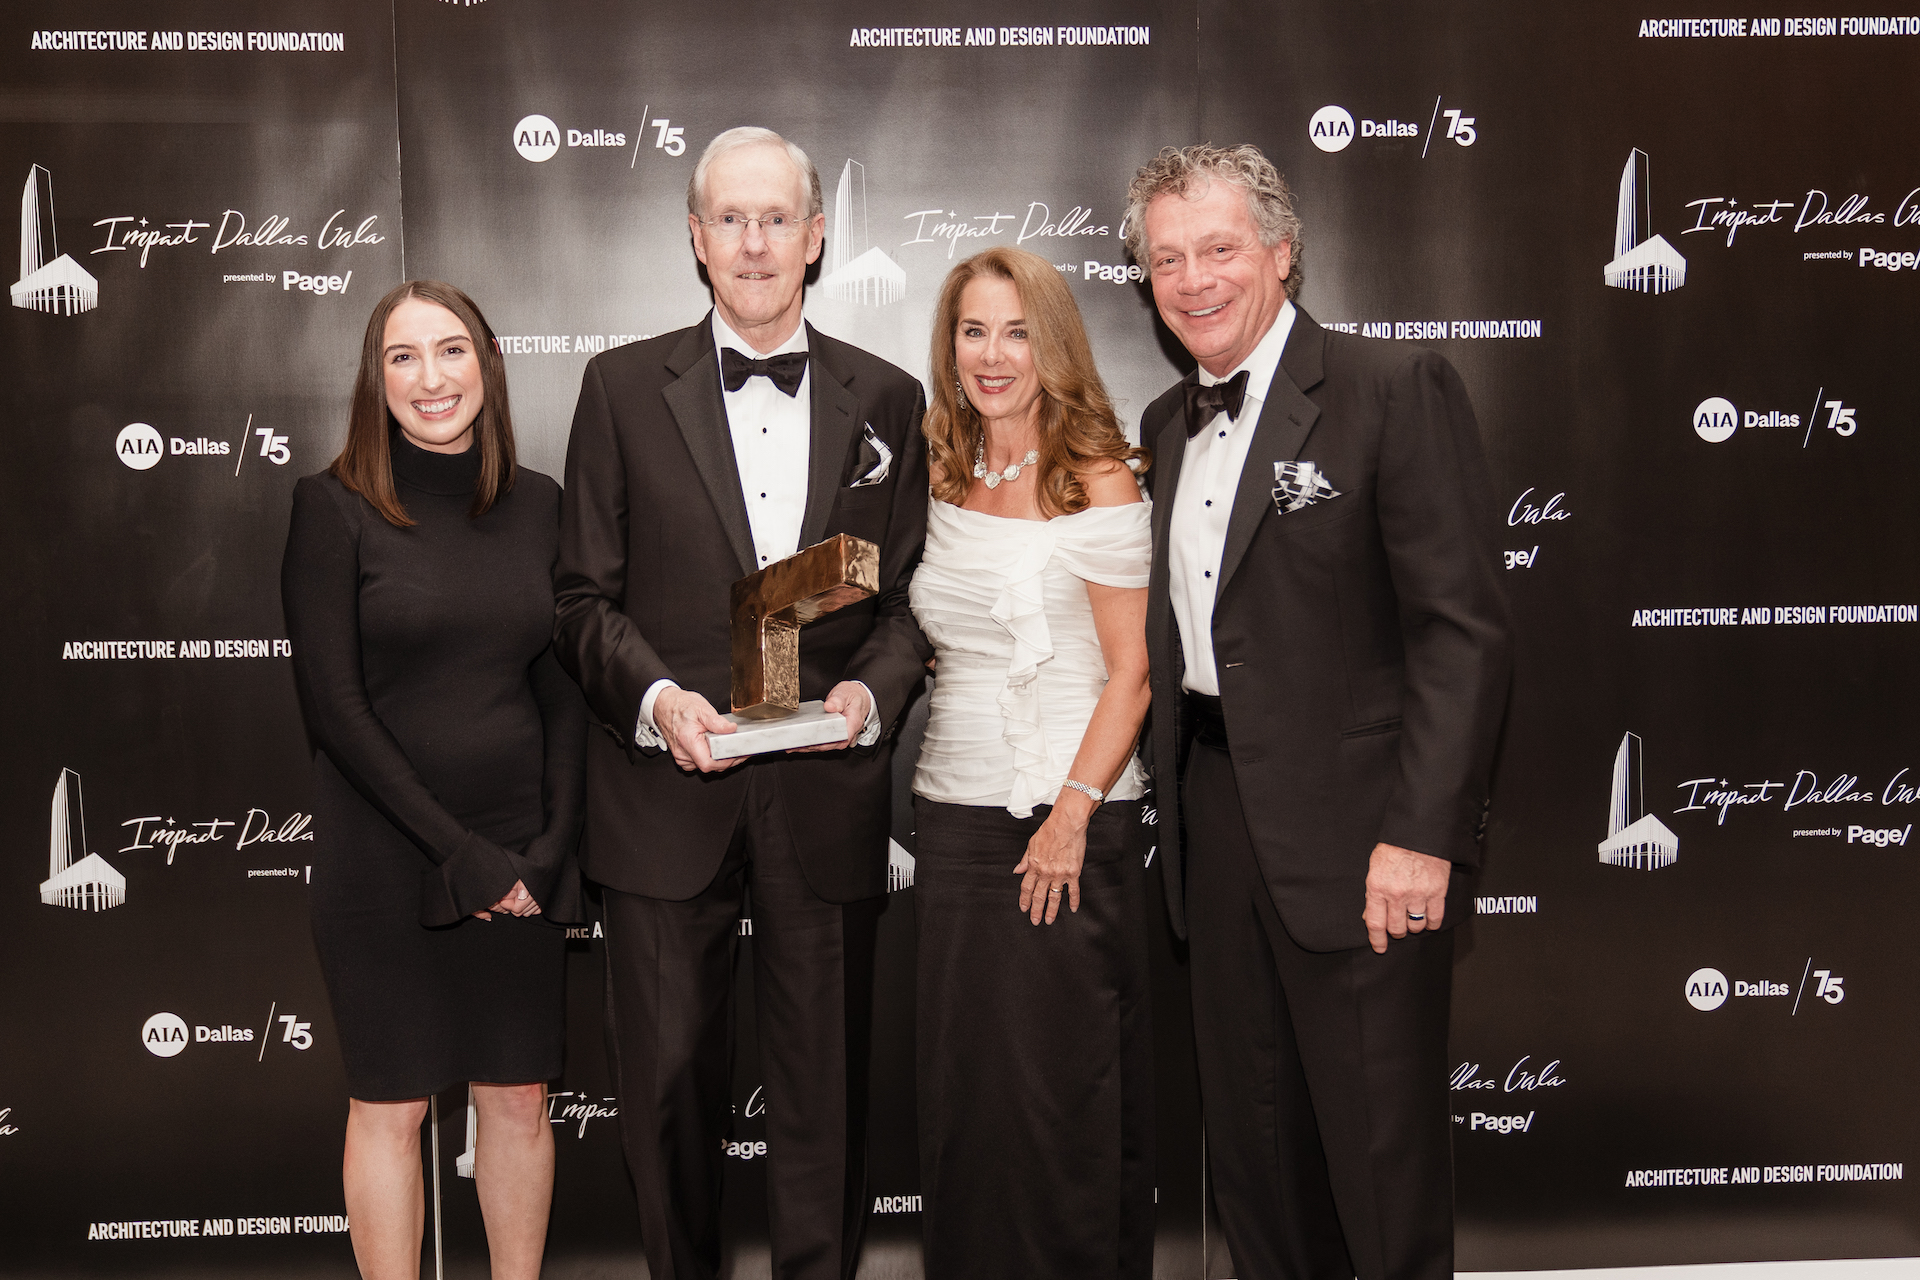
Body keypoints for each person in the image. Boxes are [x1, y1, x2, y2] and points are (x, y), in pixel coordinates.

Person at [551, 127, 930, 1280]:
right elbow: (578, 597)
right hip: (667, 795)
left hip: (826, 794)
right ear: (696, 238)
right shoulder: (619, 388)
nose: (755, 242)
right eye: (731, 218)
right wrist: (657, 696)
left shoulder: (895, 398)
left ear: (818, 239)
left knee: (828, 1103)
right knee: (666, 1095)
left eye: (778, 219)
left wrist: (871, 691)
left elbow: (910, 601)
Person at [1127, 144, 1512, 1280]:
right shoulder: (1160, 420)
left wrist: (1420, 835)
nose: (1194, 279)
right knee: (1255, 1164)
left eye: (1220, 249)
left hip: (1363, 839)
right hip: (1211, 817)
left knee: (1380, 1171)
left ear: (1283, 254)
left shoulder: (1391, 389)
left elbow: (1463, 633)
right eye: (1167, 258)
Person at [282, 279, 586, 1280]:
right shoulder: (331, 507)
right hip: (386, 855)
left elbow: (559, 689)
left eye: (450, 351)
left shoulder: (539, 503)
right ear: (376, 379)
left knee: (516, 1096)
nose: (431, 378)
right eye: (403, 357)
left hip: (518, 850)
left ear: (485, 365)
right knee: (393, 1101)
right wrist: (460, 855)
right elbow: (336, 710)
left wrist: (546, 851)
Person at [909, 246, 1155, 1278]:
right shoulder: (944, 468)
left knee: (1066, 1099)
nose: (993, 353)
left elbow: (1133, 671)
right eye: (973, 329)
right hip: (956, 822)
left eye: (1016, 330)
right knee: (971, 1104)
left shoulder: (1095, 472)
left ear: (1050, 341)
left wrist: (1070, 813)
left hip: (1070, 825)